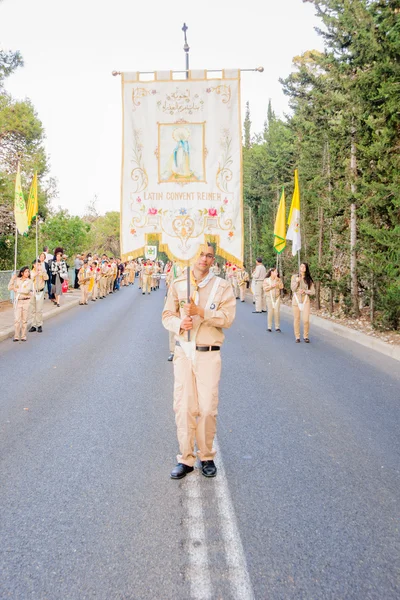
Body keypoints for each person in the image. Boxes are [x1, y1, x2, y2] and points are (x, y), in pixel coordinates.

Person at [162, 243, 236, 480]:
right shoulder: (178, 284)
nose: (204, 259)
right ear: (192, 255)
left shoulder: (222, 287)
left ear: (213, 260)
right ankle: (186, 459)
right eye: (201, 254)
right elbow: (167, 315)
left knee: (206, 408)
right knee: (183, 407)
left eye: (209, 256)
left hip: (208, 352)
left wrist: (201, 311)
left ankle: (206, 456)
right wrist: (178, 325)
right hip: (184, 351)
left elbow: (227, 319)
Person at [290, 262, 315, 343]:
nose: (302, 267)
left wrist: (305, 291)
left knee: (306, 320)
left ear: (306, 268)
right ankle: (297, 336)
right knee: (296, 319)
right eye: (301, 266)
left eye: (304, 266)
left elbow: (313, 291)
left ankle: (306, 336)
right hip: (296, 299)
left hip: (305, 300)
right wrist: (297, 282)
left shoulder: (308, 279)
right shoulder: (294, 277)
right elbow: (292, 289)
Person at [8, 266, 34, 341]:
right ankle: (16, 336)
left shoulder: (29, 281)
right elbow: (9, 287)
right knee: (17, 319)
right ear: (22, 273)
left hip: (26, 301)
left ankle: (23, 336)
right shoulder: (17, 280)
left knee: (24, 320)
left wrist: (17, 289)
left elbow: (27, 290)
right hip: (18, 301)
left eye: (28, 272)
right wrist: (12, 279)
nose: (27, 273)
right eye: (26, 272)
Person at [29, 258, 49, 333]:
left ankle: (39, 324)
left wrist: (42, 273)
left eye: (40, 264)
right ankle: (33, 325)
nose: (39, 266)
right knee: (33, 309)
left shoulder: (42, 271)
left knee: (39, 309)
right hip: (32, 292)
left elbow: (47, 278)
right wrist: (35, 275)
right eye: (38, 264)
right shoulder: (31, 272)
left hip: (40, 292)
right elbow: (29, 280)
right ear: (34, 265)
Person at [263, 267, 284, 332]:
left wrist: (277, 281)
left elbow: (281, 287)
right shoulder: (266, 280)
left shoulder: (278, 279)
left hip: (277, 297)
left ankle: (277, 327)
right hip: (269, 297)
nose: (277, 273)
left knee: (277, 312)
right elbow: (265, 288)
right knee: (270, 311)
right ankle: (269, 327)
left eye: (277, 272)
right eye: (275, 272)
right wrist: (271, 286)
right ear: (272, 272)